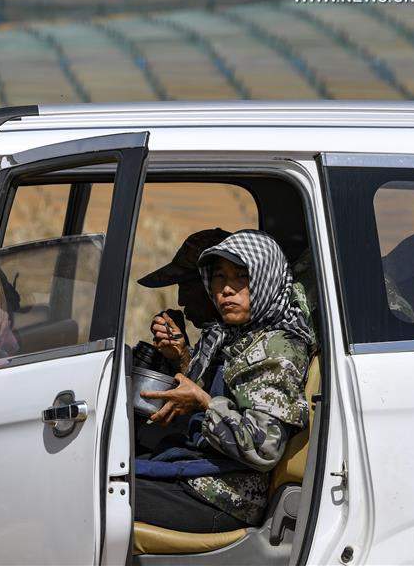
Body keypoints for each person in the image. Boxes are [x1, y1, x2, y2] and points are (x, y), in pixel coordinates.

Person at [133, 230, 315, 533]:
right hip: (204, 476)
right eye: (218, 277)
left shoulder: (277, 347)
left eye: (241, 276)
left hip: (227, 497)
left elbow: (265, 447)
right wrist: (181, 359)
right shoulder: (233, 334)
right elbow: (228, 391)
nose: (226, 289)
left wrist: (203, 403)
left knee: (96, 496)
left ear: (264, 277)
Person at [133, 228, 230, 376]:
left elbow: (206, 397)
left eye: (187, 287)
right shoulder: (214, 338)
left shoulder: (247, 344)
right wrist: (178, 352)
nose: (181, 301)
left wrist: (183, 355)